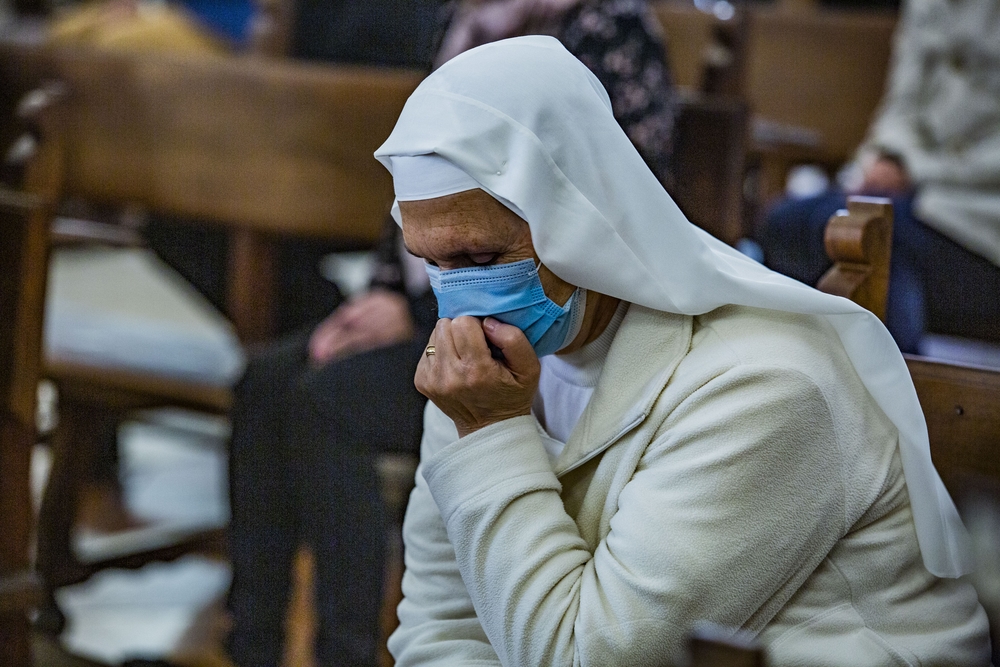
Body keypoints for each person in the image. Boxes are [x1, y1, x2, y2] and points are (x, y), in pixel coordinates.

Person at [374, 36, 990, 665]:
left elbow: (593, 658)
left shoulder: (764, 382)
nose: (459, 299)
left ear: (575, 217)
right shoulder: (476, 370)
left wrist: (490, 433)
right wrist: (484, 423)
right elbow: (443, 626)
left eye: (478, 259)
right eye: (433, 265)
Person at [225, 2, 677, 666]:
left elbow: (603, 195)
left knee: (328, 401)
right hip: (439, 293)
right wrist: (387, 286)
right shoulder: (460, 19)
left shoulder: (611, 28)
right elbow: (416, 178)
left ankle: (341, 653)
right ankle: (251, 647)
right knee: (264, 379)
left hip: (535, 305)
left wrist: (429, 302)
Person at [760, 0, 1000, 353]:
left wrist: (912, 171)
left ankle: (900, 394)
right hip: (916, 191)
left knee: (876, 243)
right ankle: (798, 380)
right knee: (784, 225)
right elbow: (901, 104)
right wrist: (887, 158)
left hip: (977, 217)